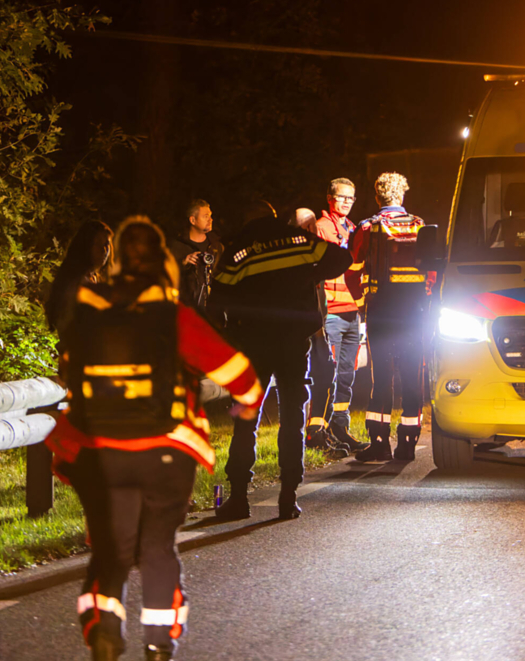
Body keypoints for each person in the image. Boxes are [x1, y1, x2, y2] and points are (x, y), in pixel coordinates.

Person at [45, 216, 263, 661]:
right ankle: (160, 643)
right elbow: (238, 373)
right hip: (165, 451)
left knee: (110, 548)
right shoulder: (174, 316)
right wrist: (246, 403)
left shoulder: (88, 314)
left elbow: (68, 372)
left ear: (117, 261)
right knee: (157, 545)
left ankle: (104, 629)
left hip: (99, 453)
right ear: (163, 262)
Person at [211, 201, 352, 520]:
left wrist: (231, 333)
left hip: (253, 344)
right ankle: (288, 498)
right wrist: (310, 274)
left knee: (246, 418)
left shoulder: (239, 249)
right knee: (292, 417)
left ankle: (238, 499)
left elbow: (216, 296)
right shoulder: (299, 240)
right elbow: (342, 257)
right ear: (273, 217)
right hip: (293, 342)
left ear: (248, 220)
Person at [346, 172, 432, 462]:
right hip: (414, 313)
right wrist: (426, 301)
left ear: (377, 196)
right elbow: (432, 272)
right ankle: (407, 445)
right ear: (402, 195)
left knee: (381, 377)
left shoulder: (367, 228)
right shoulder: (420, 225)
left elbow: (352, 270)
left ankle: (379, 443)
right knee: (412, 376)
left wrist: (361, 304)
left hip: (381, 311)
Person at [306, 178, 368, 453]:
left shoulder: (353, 228)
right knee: (326, 373)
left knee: (346, 374)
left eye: (350, 198)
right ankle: (315, 431)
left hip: (352, 310)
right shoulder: (322, 227)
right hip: (330, 311)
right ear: (330, 198)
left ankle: (339, 427)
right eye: (341, 197)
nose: (346, 202)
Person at [292, 207, 350, 457]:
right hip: (307, 329)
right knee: (320, 376)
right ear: (306, 228)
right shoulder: (304, 251)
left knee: (322, 376)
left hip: (311, 326)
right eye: (314, 227)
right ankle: (311, 435)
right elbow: (341, 259)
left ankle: (316, 431)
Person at [45, 219, 113, 339]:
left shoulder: (90, 278)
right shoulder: (77, 283)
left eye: (106, 244)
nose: (104, 250)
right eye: (97, 243)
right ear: (85, 245)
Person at [167, 199, 224, 318]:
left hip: (213, 310)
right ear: (193, 220)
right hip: (186, 310)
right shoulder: (177, 246)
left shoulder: (217, 246)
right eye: (205, 216)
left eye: (211, 216)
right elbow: (166, 275)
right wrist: (183, 262)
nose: (210, 219)